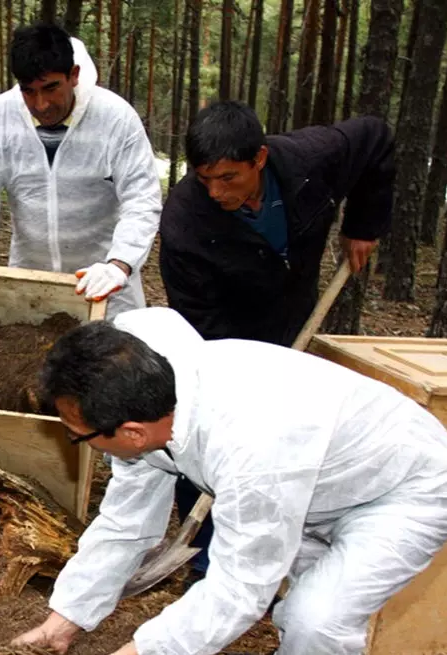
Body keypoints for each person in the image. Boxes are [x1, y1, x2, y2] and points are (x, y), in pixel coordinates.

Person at [13, 308, 447, 655]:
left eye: (78, 434)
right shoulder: (146, 376)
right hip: (317, 476)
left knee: (315, 617)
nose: (74, 440)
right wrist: (67, 615)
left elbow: (240, 585)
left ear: (130, 432)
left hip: (405, 490)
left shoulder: (253, 445)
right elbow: (126, 522)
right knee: (295, 589)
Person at [159, 100, 395, 577]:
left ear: (259, 159)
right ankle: (207, 563)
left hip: (292, 315)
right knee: (206, 436)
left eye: (229, 178)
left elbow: (375, 135)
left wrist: (364, 224)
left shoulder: (310, 160)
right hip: (225, 335)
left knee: (287, 442)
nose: (216, 191)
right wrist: (245, 383)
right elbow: (200, 325)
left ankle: (274, 547)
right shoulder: (186, 224)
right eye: (205, 179)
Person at [0, 23, 162, 318]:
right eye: (29, 92)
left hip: (105, 284)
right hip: (32, 284)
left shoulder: (115, 118)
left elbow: (142, 199)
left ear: (73, 75)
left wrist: (120, 263)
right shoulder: (1, 116)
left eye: (51, 88)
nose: (41, 104)